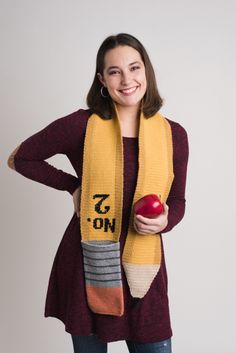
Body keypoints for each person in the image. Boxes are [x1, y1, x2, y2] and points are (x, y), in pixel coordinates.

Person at [7, 33, 189, 353]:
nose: (127, 79)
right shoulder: (81, 125)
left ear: (146, 70)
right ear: (102, 79)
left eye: (134, 67)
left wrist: (165, 220)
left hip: (144, 269)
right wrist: (74, 186)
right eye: (115, 71)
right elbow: (21, 159)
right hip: (88, 264)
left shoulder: (173, 134)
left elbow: (177, 201)